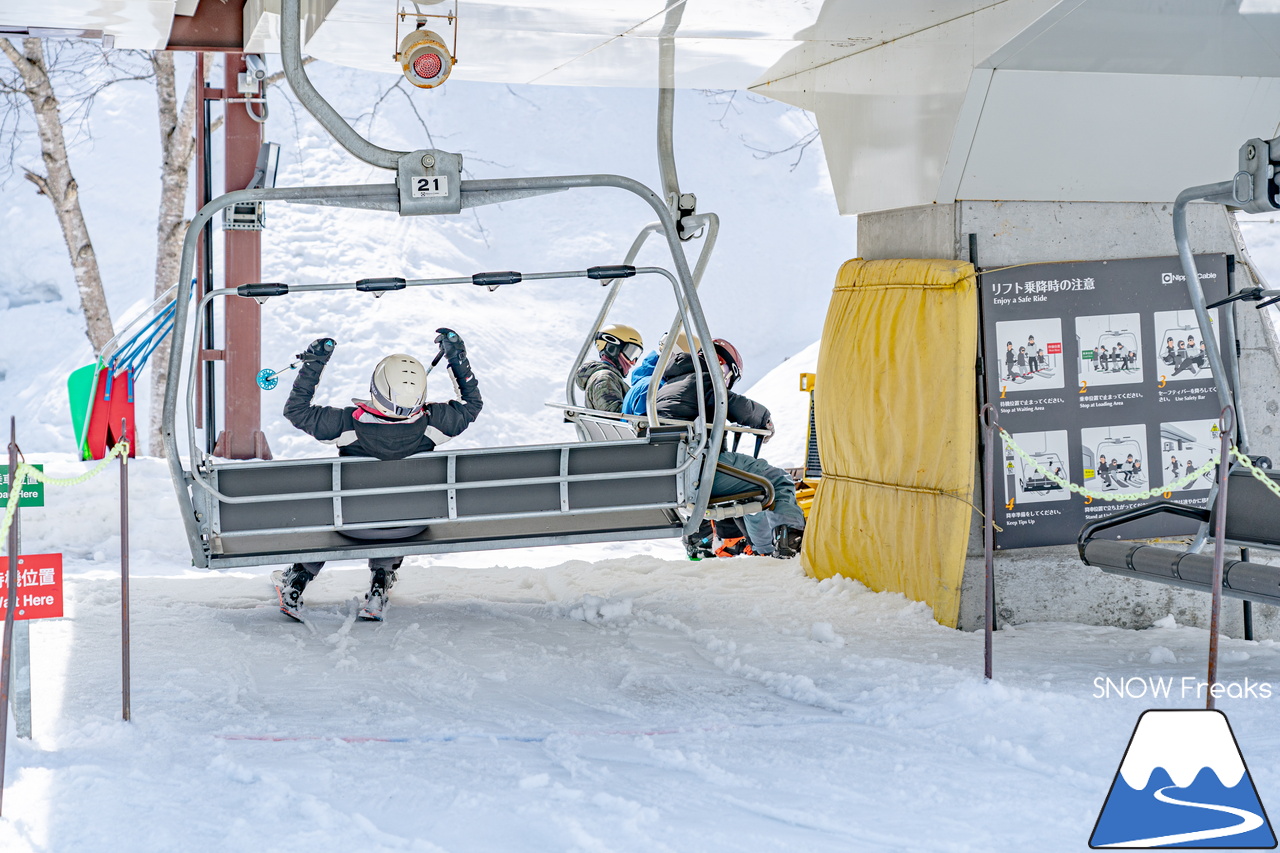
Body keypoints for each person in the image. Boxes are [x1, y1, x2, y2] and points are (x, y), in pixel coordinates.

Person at [273, 329, 483, 622]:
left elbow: (296, 411)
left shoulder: (344, 424)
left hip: (350, 524)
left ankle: (297, 580)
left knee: (333, 513)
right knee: (394, 508)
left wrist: (315, 362)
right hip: (409, 526)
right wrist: (456, 357)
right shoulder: (437, 424)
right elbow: (472, 404)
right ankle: (380, 582)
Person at [654, 338, 806, 558]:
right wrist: (765, 419)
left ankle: (765, 552)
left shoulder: (668, 387)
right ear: (720, 364)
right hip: (695, 470)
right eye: (729, 376)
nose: (726, 382)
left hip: (673, 472)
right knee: (777, 480)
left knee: (749, 494)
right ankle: (790, 545)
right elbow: (738, 406)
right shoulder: (704, 382)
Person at [575, 323, 643, 413]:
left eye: (636, 356)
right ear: (612, 349)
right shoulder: (604, 378)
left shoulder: (611, 378)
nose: (633, 362)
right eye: (631, 353)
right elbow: (613, 415)